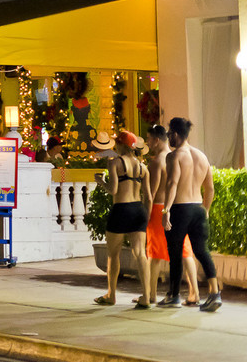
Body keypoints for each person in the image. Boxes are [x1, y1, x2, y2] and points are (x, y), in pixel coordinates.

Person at [161, 117, 221, 311]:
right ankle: (214, 293)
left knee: (176, 253)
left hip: (180, 208)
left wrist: (166, 209)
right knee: (202, 252)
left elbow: (172, 184)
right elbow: (209, 189)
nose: (169, 138)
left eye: (170, 134)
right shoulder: (201, 156)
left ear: (176, 134)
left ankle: (174, 295)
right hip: (198, 209)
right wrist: (206, 210)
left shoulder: (175, 156)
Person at [142, 123, 199, 306]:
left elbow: (151, 193)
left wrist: (145, 216)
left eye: (149, 140)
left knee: (155, 253)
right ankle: (194, 292)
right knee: (185, 250)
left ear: (157, 140)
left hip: (160, 208)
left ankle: (150, 294)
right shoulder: (179, 156)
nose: (148, 143)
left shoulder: (158, 161)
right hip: (179, 206)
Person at [94, 130, 150, 308]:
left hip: (121, 209)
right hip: (138, 209)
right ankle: (146, 296)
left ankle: (111, 295)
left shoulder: (115, 162)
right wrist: (146, 217)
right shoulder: (143, 167)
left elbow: (113, 190)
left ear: (120, 145)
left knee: (113, 254)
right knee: (140, 253)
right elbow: (148, 196)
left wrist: (100, 182)